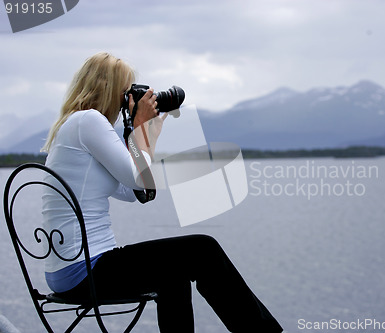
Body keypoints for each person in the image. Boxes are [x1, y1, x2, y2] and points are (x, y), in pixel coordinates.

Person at [41, 52, 283, 333]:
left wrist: (147, 136)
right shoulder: (89, 121)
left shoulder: (77, 125)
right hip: (87, 269)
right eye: (126, 91)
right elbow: (139, 180)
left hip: (71, 271)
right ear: (109, 89)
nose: (128, 99)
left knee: (173, 274)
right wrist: (140, 130)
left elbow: (134, 192)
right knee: (202, 248)